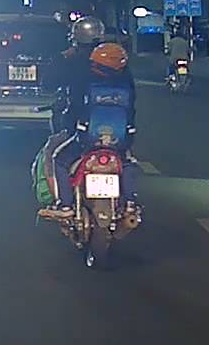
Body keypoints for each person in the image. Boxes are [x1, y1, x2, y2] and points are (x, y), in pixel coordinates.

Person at [40, 18, 140, 218]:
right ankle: (130, 202)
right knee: (127, 161)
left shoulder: (76, 64)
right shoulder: (119, 67)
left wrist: (61, 58)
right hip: (119, 137)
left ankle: (64, 205)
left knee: (57, 157)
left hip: (81, 132)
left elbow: (49, 82)